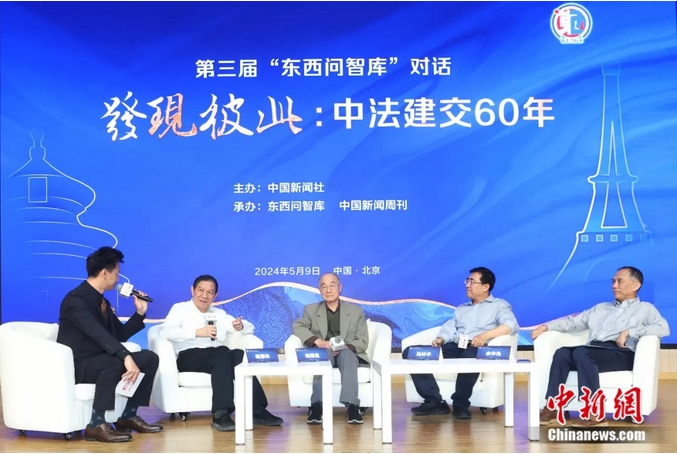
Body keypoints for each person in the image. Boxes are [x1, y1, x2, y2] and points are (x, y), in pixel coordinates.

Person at [532, 266, 670, 427]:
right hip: (593, 351)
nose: (614, 286)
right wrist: (546, 327)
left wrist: (629, 332)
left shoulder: (646, 309)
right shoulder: (601, 308)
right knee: (562, 353)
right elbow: (573, 323)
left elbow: (663, 328)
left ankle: (595, 413)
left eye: (620, 281)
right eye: (613, 281)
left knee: (582, 352)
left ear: (636, 285)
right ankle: (553, 407)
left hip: (620, 353)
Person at [56, 246, 163, 443]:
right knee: (114, 360)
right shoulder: (75, 300)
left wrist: (140, 313)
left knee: (149, 358)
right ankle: (96, 424)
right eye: (117, 273)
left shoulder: (102, 301)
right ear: (105, 273)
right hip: (81, 365)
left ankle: (128, 416)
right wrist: (126, 356)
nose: (118, 278)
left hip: (102, 360)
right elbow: (98, 334)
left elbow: (118, 335)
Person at [160, 275, 283, 431]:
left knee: (238, 355)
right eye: (201, 290)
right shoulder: (180, 309)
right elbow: (166, 332)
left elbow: (249, 327)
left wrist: (240, 326)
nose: (204, 296)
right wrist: (197, 332)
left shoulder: (218, 313)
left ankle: (257, 410)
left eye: (210, 292)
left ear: (215, 295)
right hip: (188, 355)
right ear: (192, 290)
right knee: (223, 356)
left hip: (217, 354)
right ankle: (220, 413)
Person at [403, 267, 519, 420]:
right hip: (456, 346)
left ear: (486, 286)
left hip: (478, 347)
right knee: (411, 352)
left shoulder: (499, 305)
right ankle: (434, 401)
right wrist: (441, 339)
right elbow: (451, 327)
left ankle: (460, 404)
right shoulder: (461, 308)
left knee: (470, 357)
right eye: (467, 281)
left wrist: (485, 336)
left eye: (472, 282)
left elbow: (510, 326)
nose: (467, 285)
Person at [292, 272, 369, 425]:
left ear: (340, 288)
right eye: (324, 286)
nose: (328, 290)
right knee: (324, 354)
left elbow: (362, 340)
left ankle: (353, 406)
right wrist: (319, 341)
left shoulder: (355, 311)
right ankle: (316, 406)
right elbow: (297, 326)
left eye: (332, 286)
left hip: (347, 351)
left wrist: (346, 346)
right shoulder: (311, 310)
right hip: (324, 350)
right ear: (319, 290)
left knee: (347, 354)